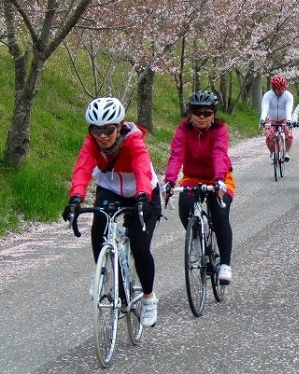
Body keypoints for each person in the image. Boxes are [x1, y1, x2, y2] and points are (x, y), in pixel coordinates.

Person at [63, 97, 162, 327]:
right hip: (110, 188)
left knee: (139, 245)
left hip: (142, 189)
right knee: (99, 228)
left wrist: (143, 196)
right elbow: (82, 168)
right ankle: (104, 272)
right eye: (96, 129)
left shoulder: (133, 140)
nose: (102, 135)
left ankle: (148, 298)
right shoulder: (91, 143)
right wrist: (75, 198)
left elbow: (141, 167)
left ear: (119, 126)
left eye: (108, 129)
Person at [163, 90, 235, 285]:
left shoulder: (219, 130)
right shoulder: (183, 130)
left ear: (213, 114)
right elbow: (176, 155)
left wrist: (219, 179)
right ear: (190, 113)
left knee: (220, 216)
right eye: (196, 112)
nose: (201, 117)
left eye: (206, 113)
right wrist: (169, 181)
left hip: (220, 178)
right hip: (193, 177)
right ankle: (196, 237)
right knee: (184, 206)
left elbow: (219, 154)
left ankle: (225, 264)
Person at [259, 74, 294, 162]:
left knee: (288, 133)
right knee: (269, 138)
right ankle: (273, 153)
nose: (281, 91)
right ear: (274, 88)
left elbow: (288, 108)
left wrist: (289, 120)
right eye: (279, 89)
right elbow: (265, 108)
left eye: (283, 88)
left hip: (284, 118)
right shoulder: (267, 96)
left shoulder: (288, 96)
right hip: (271, 119)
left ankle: (287, 152)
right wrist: (262, 119)